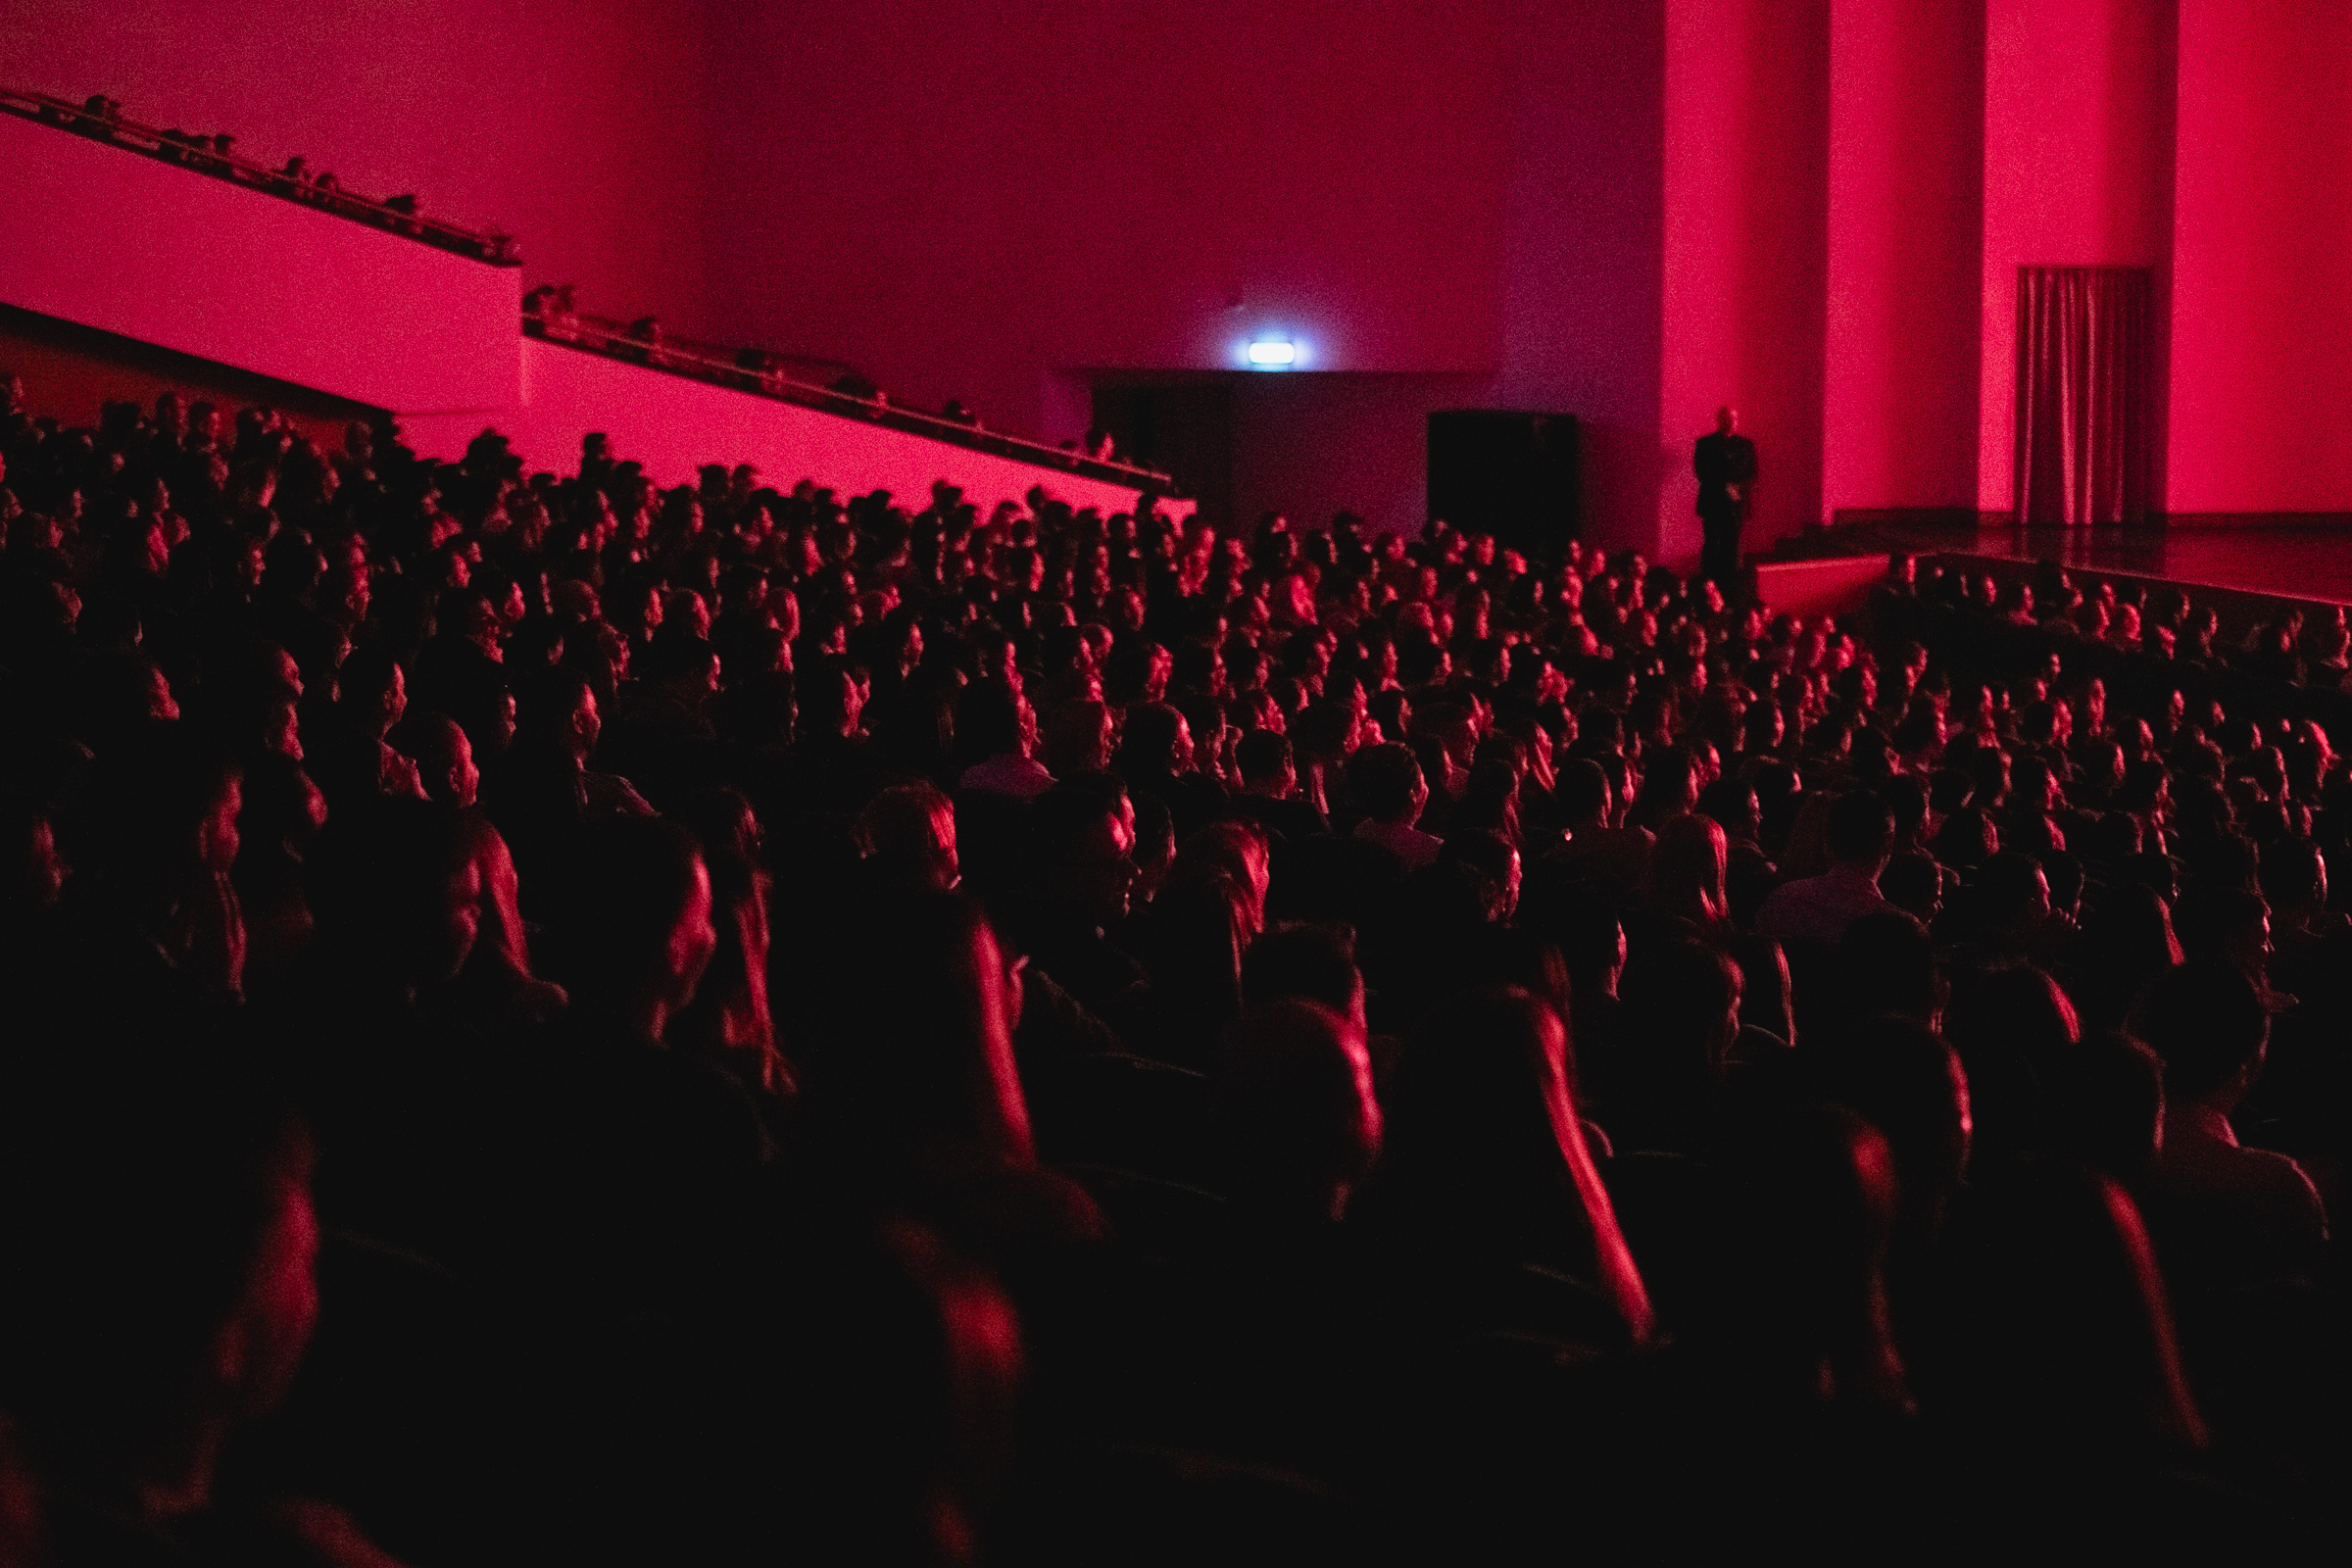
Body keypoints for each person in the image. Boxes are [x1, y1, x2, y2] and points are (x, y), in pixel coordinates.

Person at [1694, 405, 1757, 587]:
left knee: (1734, 544)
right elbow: (1702, 471)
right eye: (1728, 418)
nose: (1731, 422)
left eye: (1734, 419)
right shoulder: (1705, 444)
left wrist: (1737, 488)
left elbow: (1752, 473)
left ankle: (1732, 584)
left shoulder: (1746, 445)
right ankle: (1710, 583)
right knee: (1712, 543)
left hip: (1736, 504)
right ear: (1719, 420)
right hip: (1713, 502)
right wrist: (1724, 487)